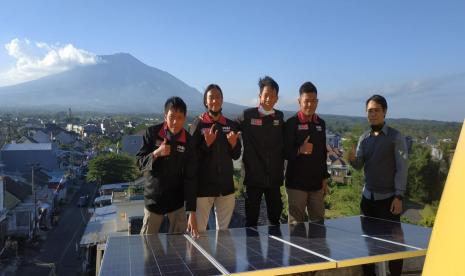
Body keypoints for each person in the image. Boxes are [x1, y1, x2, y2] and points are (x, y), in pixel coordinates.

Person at [349, 94, 408, 276]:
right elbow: (359, 166)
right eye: (369, 111)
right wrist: (351, 160)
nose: (372, 114)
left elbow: (402, 168)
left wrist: (399, 196)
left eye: (376, 110)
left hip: (389, 200)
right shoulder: (364, 139)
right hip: (368, 200)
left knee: (394, 246)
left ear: (385, 112)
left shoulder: (395, 137)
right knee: (368, 243)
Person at [137, 96, 198, 237]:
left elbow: (191, 177)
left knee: (178, 251)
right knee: (148, 249)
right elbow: (139, 162)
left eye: (180, 117)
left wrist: (192, 212)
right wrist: (156, 153)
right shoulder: (152, 133)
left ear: (185, 118)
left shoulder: (189, 141)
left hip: (176, 203)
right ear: (165, 116)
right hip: (153, 201)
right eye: (171, 117)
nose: (175, 122)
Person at [189, 84, 242, 231]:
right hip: (203, 188)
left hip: (226, 188)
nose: (215, 100)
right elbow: (191, 158)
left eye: (218, 97)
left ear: (222, 100)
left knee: (224, 234)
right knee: (199, 232)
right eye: (211, 97)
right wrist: (206, 144)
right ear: (206, 101)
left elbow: (236, 154)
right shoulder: (198, 124)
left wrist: (233, 144)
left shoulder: (230, 125)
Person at [237, 76, 285, 227]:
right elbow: (228, 126)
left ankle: (275, 250)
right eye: (266, 95)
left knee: (275, 219)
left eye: (273, 95)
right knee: (251, 221)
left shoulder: (279, 116)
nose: (269, 98)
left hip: (274, 178)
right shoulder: (247, 115)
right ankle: (252, 250)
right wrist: (205, 120)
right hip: (253, 178)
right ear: (260, 96)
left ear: (277, 98)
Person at [284, 81, 330, 224]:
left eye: (313, 101)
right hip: (296, 185)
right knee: (296, 227)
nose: (310, 104)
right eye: (306, 101)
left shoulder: (320, 123)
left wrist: (324, 178)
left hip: (316, 185)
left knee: (318, 224)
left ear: (317, 102)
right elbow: (285, 153)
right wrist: (300, 150)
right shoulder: (291, 123)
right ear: (299, 101)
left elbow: (323, 153)